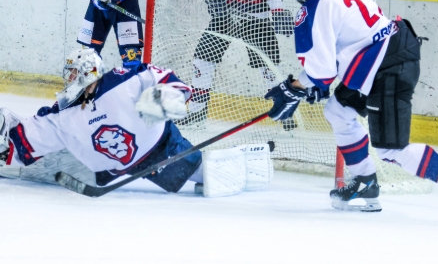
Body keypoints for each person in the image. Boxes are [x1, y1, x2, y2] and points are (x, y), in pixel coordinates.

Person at [266, 0, 438, 226]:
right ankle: (365, 182)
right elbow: (341, 53)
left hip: (388, 67)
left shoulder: (312, 9)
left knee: (391, 149)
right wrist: (311, 85)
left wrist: (293, 87)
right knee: (338, 111)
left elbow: (321, 72)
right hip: (384, 56)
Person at [0, 49, 272, 196]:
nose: (69, 79)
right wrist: (7, 145)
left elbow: (165, 78)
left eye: (74, 73)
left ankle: (251, 162)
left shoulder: (123, 79)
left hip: (164, 146)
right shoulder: (63, 113)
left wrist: (171, 95)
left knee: (208, 175)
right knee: (203, 174)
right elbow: (26, 140)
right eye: (68, 74)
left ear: (89, 71)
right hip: (127, 168)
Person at [176, 0, 295, 130]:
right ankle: (197, 111)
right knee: (203, 60)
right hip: (226, 16)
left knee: (269, 66)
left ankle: (285, 111)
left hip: (255, 16)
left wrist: (276, 9)